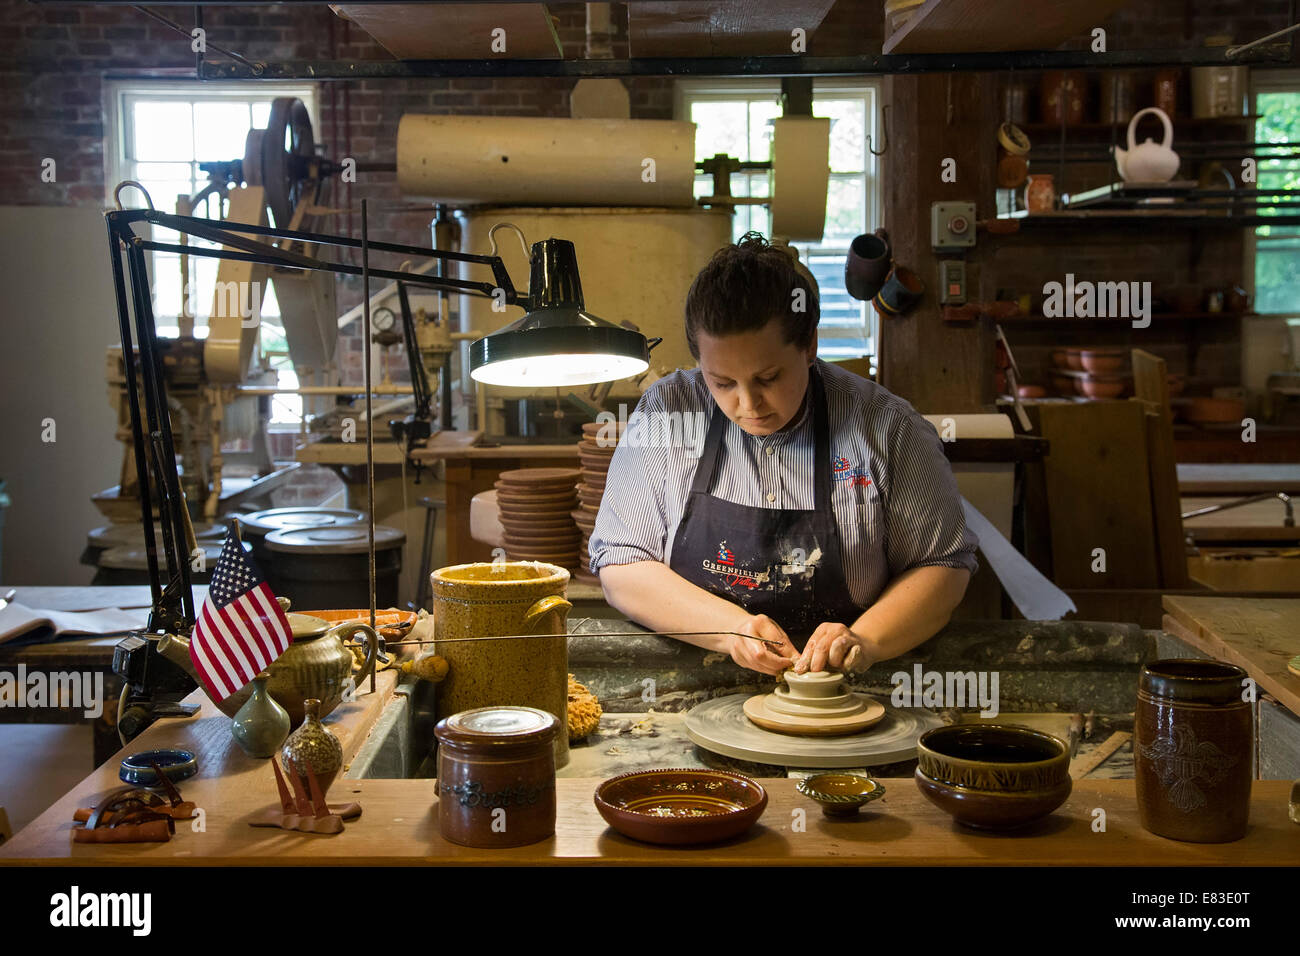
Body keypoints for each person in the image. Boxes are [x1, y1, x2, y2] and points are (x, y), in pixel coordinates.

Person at [588, 232, 977, 676]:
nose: (748, 405)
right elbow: (621, 565)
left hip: (846, 688)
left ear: (809, 345)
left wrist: (865, 640)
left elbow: (943, 568)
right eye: (723, 383)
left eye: (768, 378)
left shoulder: (887, 428)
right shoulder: (668, 412)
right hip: (693, 685)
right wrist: (730, 629)